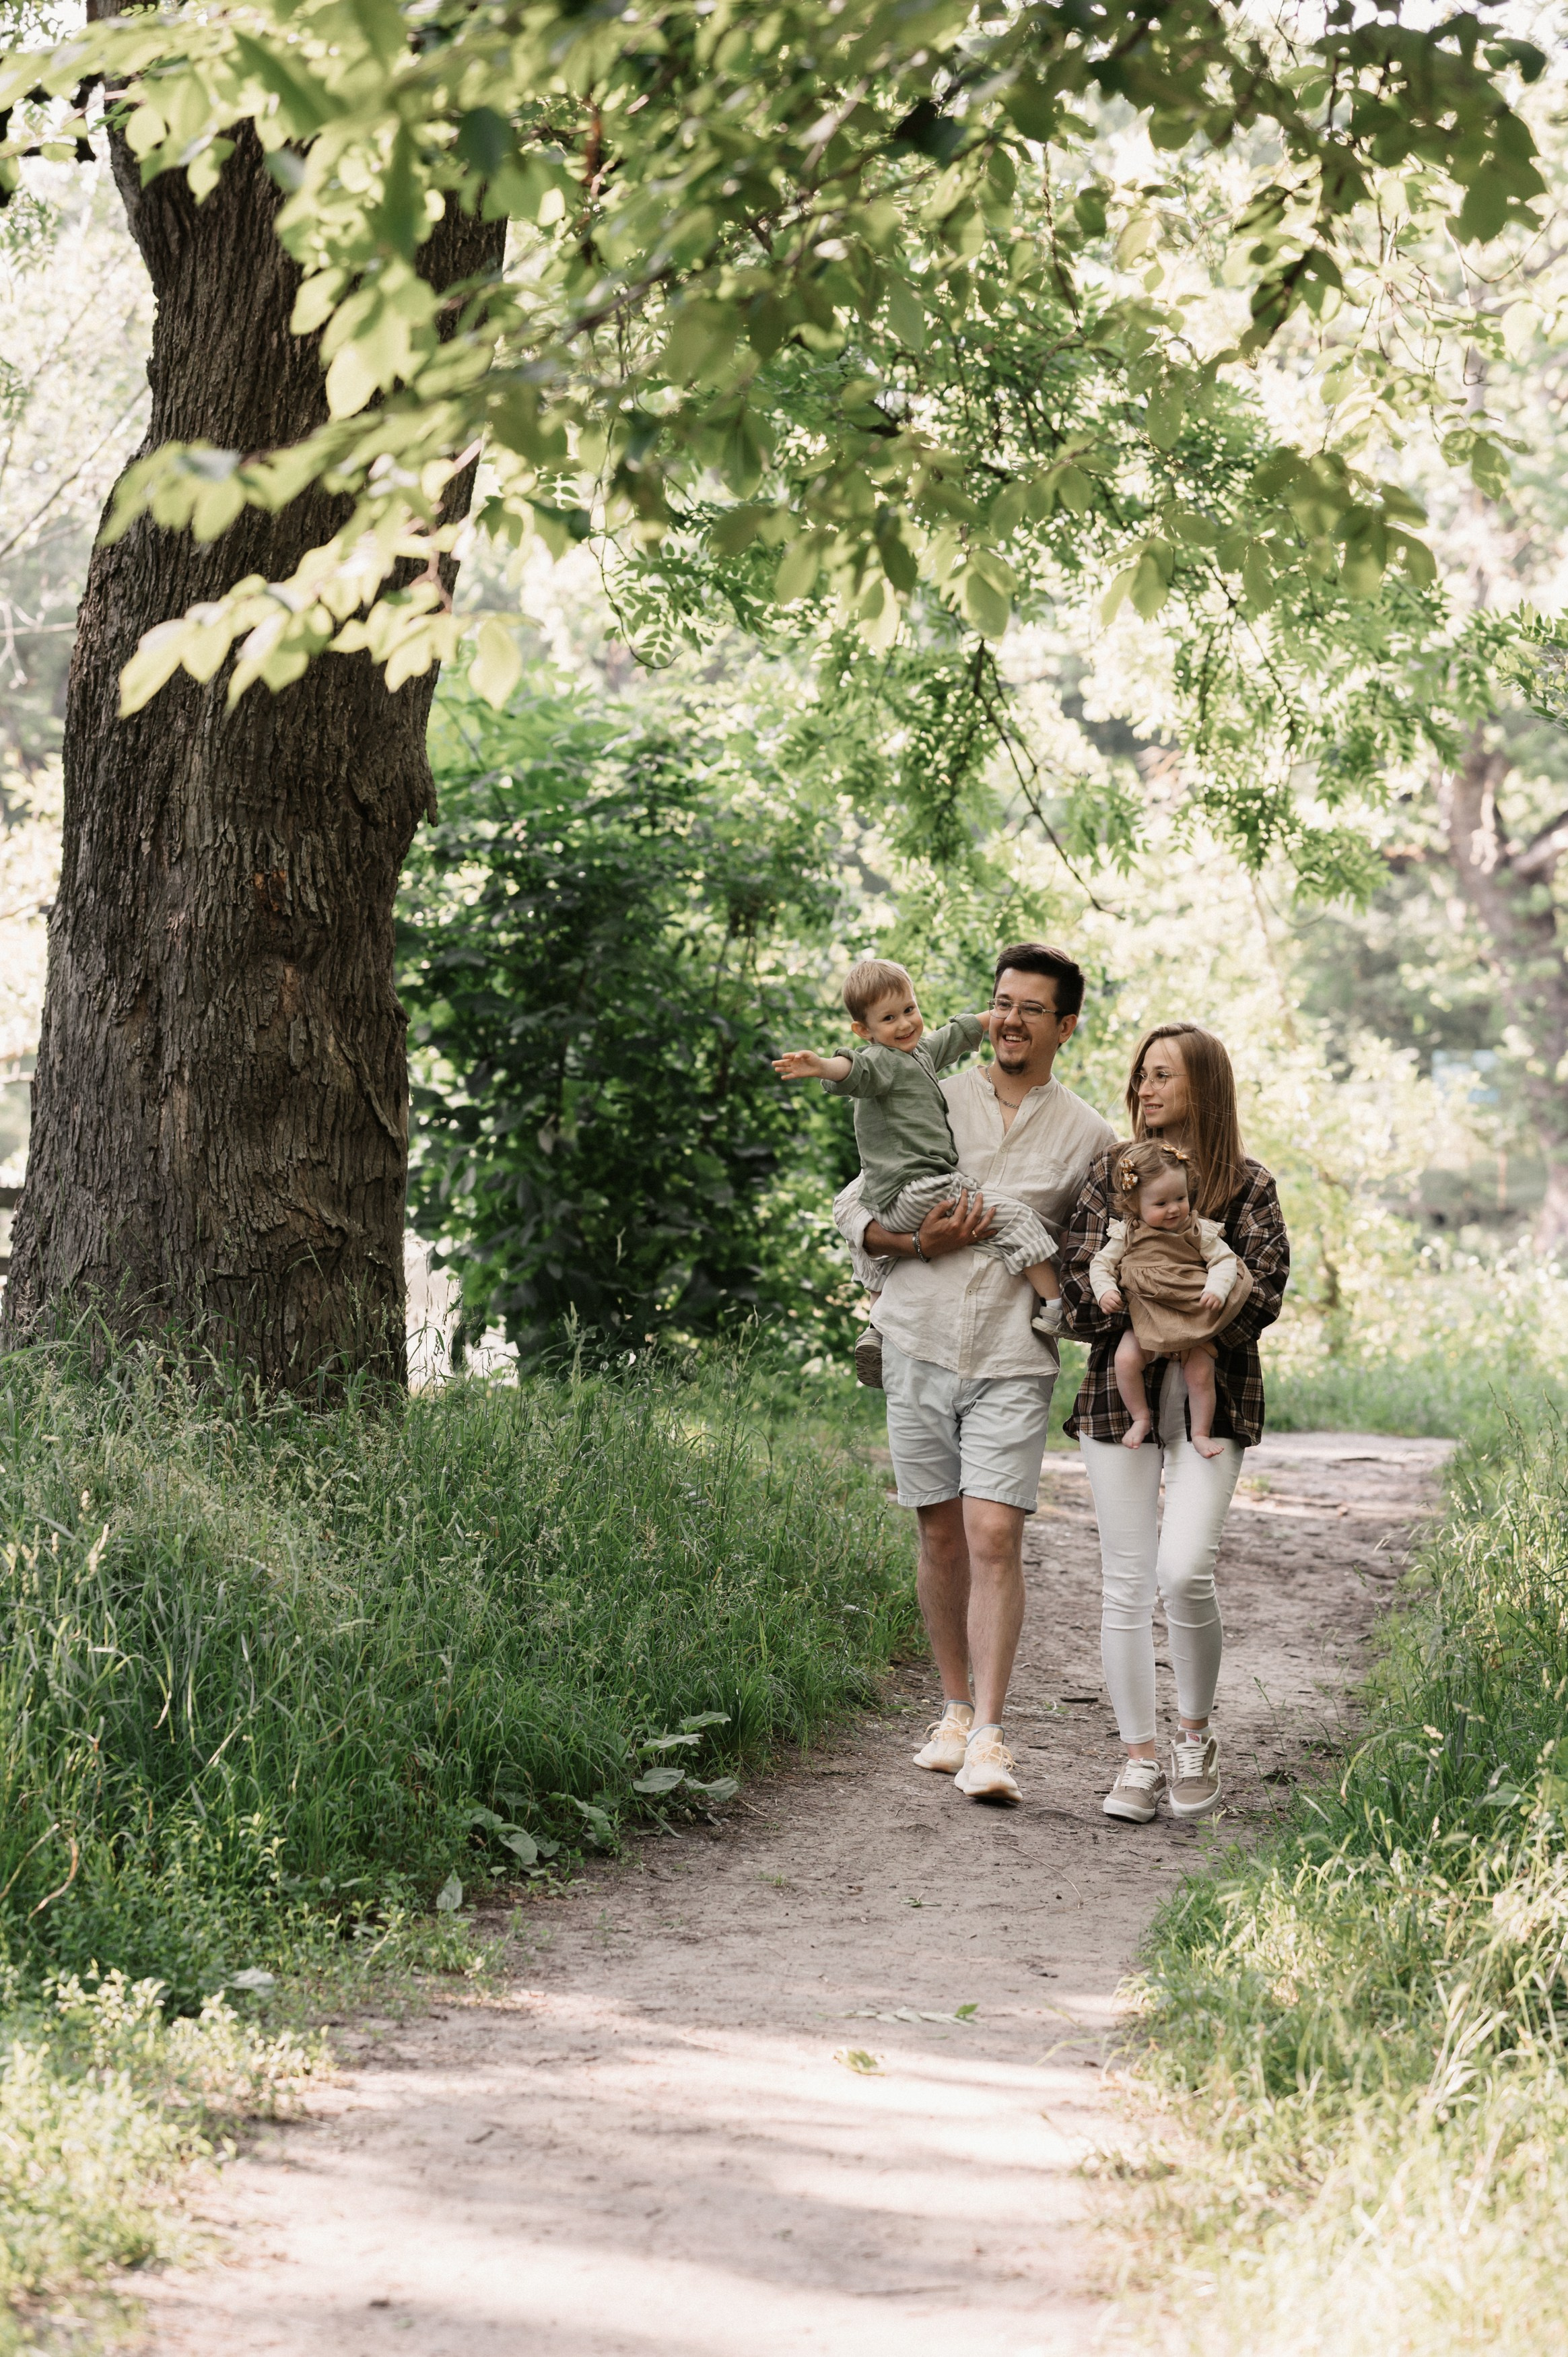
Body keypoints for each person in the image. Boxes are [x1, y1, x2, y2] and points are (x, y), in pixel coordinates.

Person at [831, 945, 1118, 1806]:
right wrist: (919, 1241)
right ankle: (951, 1712)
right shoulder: (929, 1087)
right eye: (1001, 1002)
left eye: (1033, 1008)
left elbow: (1106, 1243)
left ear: (1064, 1025)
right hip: (914, 1337)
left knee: (995, 1533)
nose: (1010, 1019)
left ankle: (991, 1733)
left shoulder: (1090, 1135)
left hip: (1009, 1357)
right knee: (940, 1534)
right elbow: (852, 1207)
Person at [1059, 1023, 1289, 1825]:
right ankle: (1138, 1758)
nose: (1145, 1088)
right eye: (1141, 1074)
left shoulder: (1248, 1186)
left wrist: (1184, 1317)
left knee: (1183, 1568)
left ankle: (1194, 1737)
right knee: (1125, 1581)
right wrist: (1142, 1304)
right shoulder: (1111, 1175)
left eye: (1163, 1075)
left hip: (1212, 1402)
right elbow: (1078, 1286)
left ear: (1204, 1088)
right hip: (1113, 1403)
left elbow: (1263, 1293)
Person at [773, 960, 1064, 1354]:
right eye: (889, 1018)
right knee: (1015, 1219)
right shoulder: (882, 1060)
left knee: (866, 1245)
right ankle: (1056, 1307)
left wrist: (998, 1014)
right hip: (920, 1188)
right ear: (865, 1031)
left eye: (910, 1010)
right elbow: (854, 1069)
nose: (906, 1024)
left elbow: (955, 1035)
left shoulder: (918, 1055)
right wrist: (823, 1066)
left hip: (886, 1198)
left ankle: (877, 1326)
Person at [1089, 1139, 1252, 1458]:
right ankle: (1140, 1417)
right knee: (1125, 1360)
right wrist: (1105, 1290)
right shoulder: (1126, 1233)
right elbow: (1101, 1265)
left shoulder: (1198, 1230)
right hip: (1146, 1316)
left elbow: (1224, 1261)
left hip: (1190, 1317)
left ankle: (1201, 1432)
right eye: (1160, 1204)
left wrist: (1216, 1289)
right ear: (1135, 1205)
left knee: (1201, 1373)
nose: (1174, 1209)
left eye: (1180, 1198)